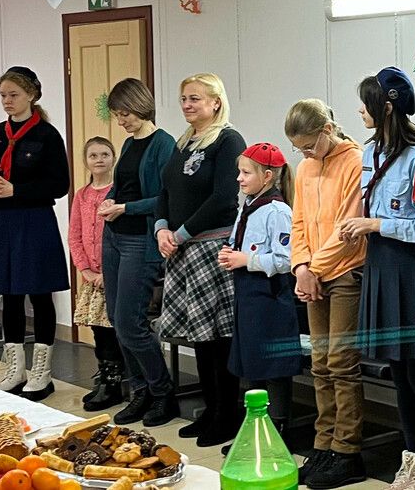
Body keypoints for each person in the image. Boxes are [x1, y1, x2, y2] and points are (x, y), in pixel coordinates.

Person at [339, 67, 415, 490]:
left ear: (387, 107)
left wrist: (375, 225)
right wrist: (358, 227)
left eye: (366, 102)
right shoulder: (369, 154)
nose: (360, 110)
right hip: (380, 268)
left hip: (411, 272)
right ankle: (412, 459)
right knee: (398, 373)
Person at [155, 73, 246, 446]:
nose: (187, 105)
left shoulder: (227, 140)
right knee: (199, 338)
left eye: (195, 98)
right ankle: (210, 409)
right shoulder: (184, 142)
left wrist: (180, 234)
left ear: (215, 102)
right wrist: (161, 228)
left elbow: (223, 197)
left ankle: (228, 414)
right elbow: (165, 190)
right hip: (181, 249)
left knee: (218, 338)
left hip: (210, 248)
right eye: (183, 99)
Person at [284, 99, 368, 489]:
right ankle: (323, 445)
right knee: (319, 363)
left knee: (341, 362)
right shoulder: (305, 168)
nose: (304, 154)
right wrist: (301, 267)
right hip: (313, 274)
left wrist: (313, 269)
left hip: (346, 272)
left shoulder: (356, 161)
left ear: (327, 130)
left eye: (309, 146)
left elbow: (349, 225)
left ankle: (347, 452)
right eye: (298, 149)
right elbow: (299, 221)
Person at [0, 66, 70, 401]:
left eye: (13, 94)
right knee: (10, 295)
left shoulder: (47, 135)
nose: (7, 101)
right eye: (3, 95)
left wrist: (17, 189)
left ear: (31, 95)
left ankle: (42, 372)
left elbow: (59, 184)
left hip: (34, 220)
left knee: (40, 293)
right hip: (2, 220)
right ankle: (15, 368)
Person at [98, 77, 179, 425]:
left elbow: (165, 197)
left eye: (125, 114)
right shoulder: (130, 143)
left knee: (131, 323)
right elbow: (123, 186)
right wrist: (109, 201)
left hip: (141, 240)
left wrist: (126, 208)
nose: (121, 121)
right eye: (117, 115)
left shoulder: (164, 144)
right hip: (115, 237)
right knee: (117, 320)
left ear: (141, 106)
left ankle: (162, 393)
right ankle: (140, 391)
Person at [218, 143, 301, 435]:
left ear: (267, 176)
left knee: (273, 367)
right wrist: (230, 253)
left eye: (246, 173)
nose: (239, 178)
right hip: (247, 296)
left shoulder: (278, 211)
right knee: (251, 364)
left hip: (270, 299)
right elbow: (239, 241)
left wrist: (246, 260)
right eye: (239, 172)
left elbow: (286, 259)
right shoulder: (248, 206)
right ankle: (254, 432)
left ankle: (277, 432)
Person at [68, 136, 123, 411]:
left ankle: (115, 383)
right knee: (98, 329)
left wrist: (107, 272)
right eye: (93, 155)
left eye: (104, 154)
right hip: (91, 277)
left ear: (113, 158)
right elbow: (75, 235)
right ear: (86, 161)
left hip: (114, 274)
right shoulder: (82, 195)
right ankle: (104, 376)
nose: (99, 160)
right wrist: (86, 270)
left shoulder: (118, 192)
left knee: (112, 328)